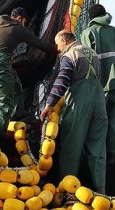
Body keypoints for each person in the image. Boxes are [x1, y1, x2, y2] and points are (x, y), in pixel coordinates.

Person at [40, 30, 107, 193]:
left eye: (58, 44)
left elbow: (62, 81)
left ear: (64, 40)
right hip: (99, 103)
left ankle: (66, 191)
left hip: (79, 102)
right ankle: (100, 190)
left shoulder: (70, 55)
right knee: (97, 149)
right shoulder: (93, 53)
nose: (58, 48)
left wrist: (49, 104)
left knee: (72, 146)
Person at [79, 4, 115, 164]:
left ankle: (95, 158)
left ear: (91, 17)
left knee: (97, 121)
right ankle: (112, 153)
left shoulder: (89, 32)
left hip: (98, 86)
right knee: (113, 119)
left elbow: (87, 62)